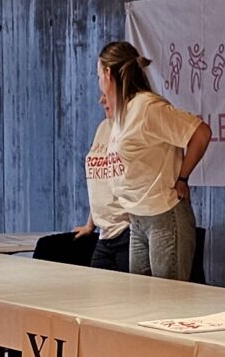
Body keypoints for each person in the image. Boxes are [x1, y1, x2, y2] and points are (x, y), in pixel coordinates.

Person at [95, 41, 210, 282]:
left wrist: (182, 177)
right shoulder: (122, 112)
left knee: (167, 297)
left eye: (98, 76)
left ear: (107, 73)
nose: (99, 83)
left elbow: (201, 133)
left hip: (163, 215)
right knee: (141, 297)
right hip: (137, 218)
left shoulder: (147, 107)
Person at [72, 93, 132, 273]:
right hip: (104, 234)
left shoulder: (130, 130)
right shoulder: (103, 127)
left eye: (107, 94)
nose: (101, 100)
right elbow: (100, 181)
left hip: (127, 231)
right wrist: (90, 224)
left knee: (129, 289)